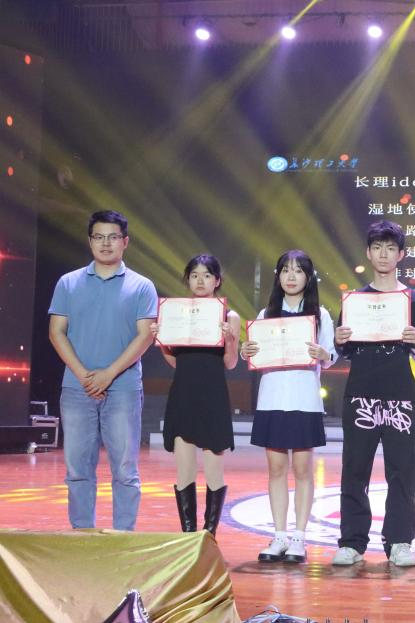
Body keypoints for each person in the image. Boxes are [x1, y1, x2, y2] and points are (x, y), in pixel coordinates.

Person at [48, 210, 157, 531]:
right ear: (90, 241)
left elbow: (145, 336)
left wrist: (109, 373)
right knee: (77, 469)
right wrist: (84, 375)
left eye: (113, 237)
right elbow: (56, 332)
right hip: (76, 389)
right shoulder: (68, 283)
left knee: (124, 469)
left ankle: (123, 536)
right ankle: (82, 533)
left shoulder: (142, 286)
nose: (105, 243)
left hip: (123, 389)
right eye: (99, 237)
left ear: (125, 242)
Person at [332, 221, 415, 568]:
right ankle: (352, 542)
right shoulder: (355, 301)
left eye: (390, 248)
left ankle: (399, 541)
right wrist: (340, 340)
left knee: (402, 469)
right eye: (377, 248)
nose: (384, 254)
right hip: (361, 391)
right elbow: (345, 351)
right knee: (355, 468)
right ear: (368, 253)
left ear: (401, 254)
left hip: (399, 392)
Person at [240, 250, 336, 563]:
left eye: (297, 270)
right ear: (278, 276)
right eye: (285, 270)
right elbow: (256, 352)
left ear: (308, 277)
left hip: (304, 399)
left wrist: (323, 354)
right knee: (276, 469)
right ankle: (279, 535)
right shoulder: (266, 314)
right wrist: (247, 351)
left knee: (303, 470)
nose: (291, 276)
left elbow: (331, 356)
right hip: (272, 398)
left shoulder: (319, 315)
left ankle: (299, 537)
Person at [155, 255, 240, 536]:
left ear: (217, 281)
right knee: (184, 471)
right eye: (194, 275)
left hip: (212, 396)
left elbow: (230, 363)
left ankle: (209, 536)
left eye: (206, 275)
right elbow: (176, 362)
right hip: (183, 394)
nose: (200, 281)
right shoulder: (177, 313)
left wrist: (230, 340)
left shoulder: (229, 316)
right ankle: (189, 536)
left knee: (214, 471)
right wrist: (162, 341)